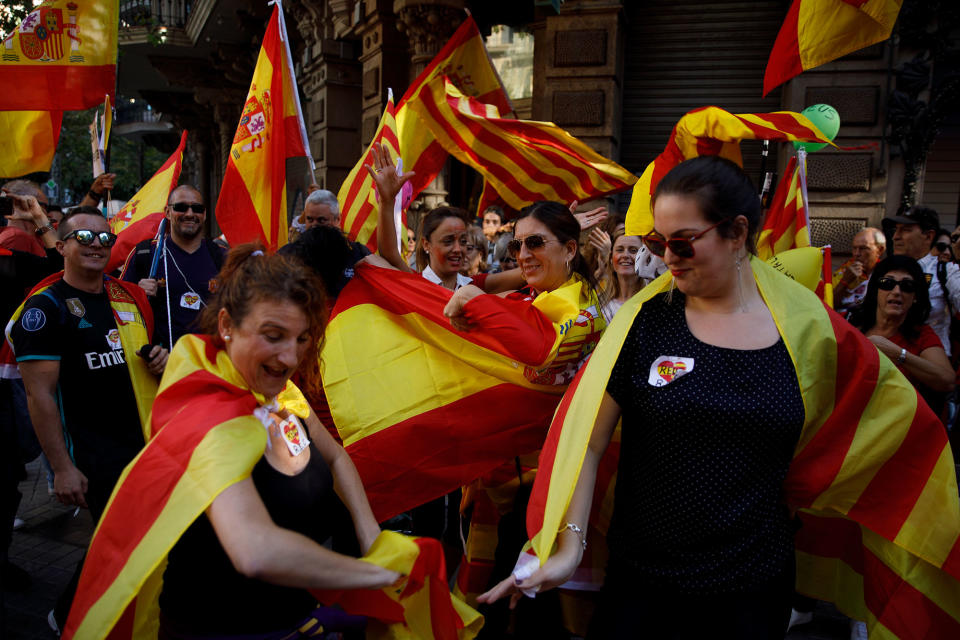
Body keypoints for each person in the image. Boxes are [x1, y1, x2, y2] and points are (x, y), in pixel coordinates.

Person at [66, 245, 401, 638]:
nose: (290, 356)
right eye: (273, 336)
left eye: (303, 338)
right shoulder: (207, 417)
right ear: (226, 324)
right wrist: (376, 575)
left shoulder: (278, 393)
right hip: (219, 628)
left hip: (295, 615)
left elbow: (337, 458)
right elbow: (254, 550)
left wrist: (370, 532)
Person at [9, 206, 167, 631]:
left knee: (126, 540)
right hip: (92, 452)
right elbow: (38, 395)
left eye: (104, 238)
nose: (97, 246)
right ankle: (67, 616)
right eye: (85, 238)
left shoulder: (127, 296)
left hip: (142, 443)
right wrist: (62, 468)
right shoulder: (44, 309)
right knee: (119, 541)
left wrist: (160, 360)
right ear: (61, 246)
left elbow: (139, 361)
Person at [369, 143, 524, 293]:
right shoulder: (416, 284)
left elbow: (528, 273)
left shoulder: (475, 286)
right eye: (448, 241)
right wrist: (387, 201)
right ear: (426, 244)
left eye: (463, 241)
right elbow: (389, 254)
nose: (458, 249)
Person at [120, 185, 226, 350]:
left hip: (212, 363)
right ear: (168, 212)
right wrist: (137, 294)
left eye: (197, 208)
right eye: (181, 207)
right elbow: (120, 310)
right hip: (161, 366)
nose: (190, 214)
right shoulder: (146, 254)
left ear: (204, 214)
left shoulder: (223, 257)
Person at [851, 255, 954, 414]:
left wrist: (899, 354)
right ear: (876, 290)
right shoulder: (853, 328)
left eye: (907, 285)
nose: (896, 291)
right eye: (888, 283)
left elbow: (947, 381)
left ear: (915, 297)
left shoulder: (921, 335)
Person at [885, 205, 960, 356]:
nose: (896, 237)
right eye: (895, 230)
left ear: (928, 236)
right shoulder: (884, 271)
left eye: (905, 230)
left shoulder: (947, 272)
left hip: (931, 364)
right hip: (889, 359)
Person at [832, 227, 885, 315]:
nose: (857, 254)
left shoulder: (886, 273)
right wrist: (845, 282)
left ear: (880, 250)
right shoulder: (844, 270)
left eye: (863, 248)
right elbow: (828, 305)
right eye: (854, 248)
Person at [600, 230, 644, 320]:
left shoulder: (652, 303)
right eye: (620, 250)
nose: (625, 255)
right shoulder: (599, 304)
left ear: (644, 257)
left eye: (633, 250)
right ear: (611, 259)